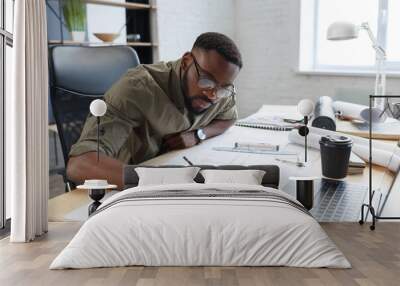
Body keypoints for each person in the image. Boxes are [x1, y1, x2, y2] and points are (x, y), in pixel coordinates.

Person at [67, 32, 242, 189]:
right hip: (122, 185)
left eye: (222, 88)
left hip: (169, 167)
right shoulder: (137, 88)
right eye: (206, 80)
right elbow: (80, 164)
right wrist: (163, 185)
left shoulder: (222, 93)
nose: (212, 96)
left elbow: (228, 118)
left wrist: (199, 134)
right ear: (186, 62)